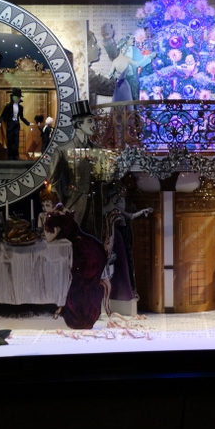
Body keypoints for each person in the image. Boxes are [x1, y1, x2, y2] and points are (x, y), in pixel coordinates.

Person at [39, 189, 107, 329]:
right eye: (43, 205)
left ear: (54, 204)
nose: (45, 208)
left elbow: (49, 238)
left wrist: (45, 219)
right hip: (89, 246)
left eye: (48, 205)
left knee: (74, 279)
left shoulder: (54, 217)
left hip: (83, 253)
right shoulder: (63, 212)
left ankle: (80, 315)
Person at [48, 99, 103, 239]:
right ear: (79, 124)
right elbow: (52, 181)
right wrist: (60, 206)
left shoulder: (98, 150)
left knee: (94, 246)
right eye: (89, 121)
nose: (94, 125)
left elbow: (102, 180)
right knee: (72, 245)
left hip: (95, 210)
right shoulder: (62, 151)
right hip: (73, 207)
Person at [101, 182, 153, 302]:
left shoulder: (118, 207)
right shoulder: (109, 208)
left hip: (119, 235)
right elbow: (129, 216)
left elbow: (130, 215)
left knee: (123, 262)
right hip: (111, 235)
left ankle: (124, 291)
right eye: (116, 197)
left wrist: (143, 211)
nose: (117, 199)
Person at [108, 35, 156, 102]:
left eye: (133, 38)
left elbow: (139, 64)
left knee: (134, 100)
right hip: (121, 81)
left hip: (133, 79)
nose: (133, 40)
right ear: (126, 40)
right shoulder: (118, 53)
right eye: (131, 38)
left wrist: (149, 58)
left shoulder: (136, 51)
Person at [0, 87, 30, 160]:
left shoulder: (21, 107)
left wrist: (28, 123)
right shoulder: (8, 106)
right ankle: (10, 156)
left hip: (16, 125)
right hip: (10, 125)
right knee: (10, 141)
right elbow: (3, 115)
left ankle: (16, 156)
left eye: (18, 97)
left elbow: (22, 117)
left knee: (16, 142)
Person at [86, 30, 117, 106]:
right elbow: (114, 88)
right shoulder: (87, 75)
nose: (98, 48)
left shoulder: (85, 72)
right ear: (84, 49)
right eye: (94, 44)